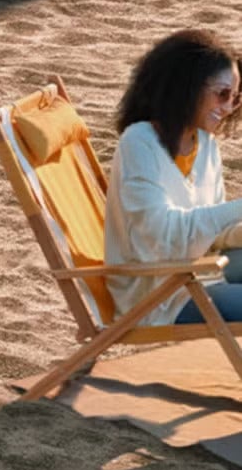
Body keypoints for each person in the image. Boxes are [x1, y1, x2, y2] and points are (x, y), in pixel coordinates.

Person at [104, 29, 242, 329]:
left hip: (199, 274)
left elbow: (211, 233)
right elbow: (163, 236)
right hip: (158, 296)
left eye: (235, 98)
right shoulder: (139, 142)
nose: (228, 107)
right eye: (222, 94)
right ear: (187, 86)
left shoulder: (205, 145)